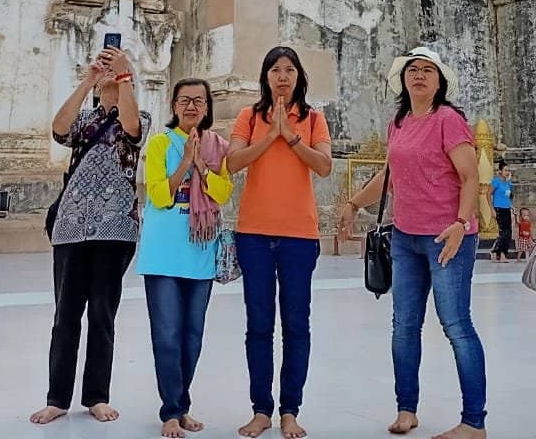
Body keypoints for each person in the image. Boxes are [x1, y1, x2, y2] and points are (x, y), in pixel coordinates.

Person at [339, 46, 487, 439]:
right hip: (405, 238)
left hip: (447, 238)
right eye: (412, 70)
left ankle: (474, 421)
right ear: (403, 80)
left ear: (440, 81)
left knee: (456, 325)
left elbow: (470, 177)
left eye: (428, 71)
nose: (419, 76)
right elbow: (389, 177)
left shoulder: (449, 121)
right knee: (404, 326)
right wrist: (353, 203)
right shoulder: (399, 122)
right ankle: (407, 409)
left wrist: (461, 222)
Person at [30, 45, 148, 426]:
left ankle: (97, 395)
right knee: (66, 315)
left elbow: (132, 129)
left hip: (115, 228)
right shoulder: (85, 121)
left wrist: (125, 77)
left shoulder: (138, 116)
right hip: (71, 226)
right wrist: (88, 80)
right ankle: (57, 397)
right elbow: (59, 129)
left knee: (101, 313)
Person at [227, 46, 333, 439]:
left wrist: (290, 137)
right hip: (254, 234)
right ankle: (261, 410)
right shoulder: (248, 116)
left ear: (300, 76)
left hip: (299, 237)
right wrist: (269, 134)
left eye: (290, 69)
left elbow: (323, 166)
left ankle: (290, 410)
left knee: (296, 325)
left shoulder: (313, 118)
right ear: (266, 77)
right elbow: (233, 163)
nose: (283, 76)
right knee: (258, 325)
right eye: (275, 70)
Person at [137, 78, 234, 438]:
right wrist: (187, 162)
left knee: (192, 335)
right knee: (166, 333)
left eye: (198, 101)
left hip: (200, 251)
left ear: (207, 107)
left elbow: (223, 192)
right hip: (163, 253)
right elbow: (160, 194)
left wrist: (203, 167)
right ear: (174, 106)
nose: (191, 106)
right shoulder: (161, 142)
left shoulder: (218, 146)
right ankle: (171, 412)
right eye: (184, 100)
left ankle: (183, 404)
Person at [489, 160, 514, 262]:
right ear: (500, 171)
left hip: (507, 208)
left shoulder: (508, 183)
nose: (507, 172)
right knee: (503, 232)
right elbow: (488, 194)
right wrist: (491, 209)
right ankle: (494, 251)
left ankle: (503, 254)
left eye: (508, 170)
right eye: (505, 170)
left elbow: (510, 196)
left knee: (509, 233)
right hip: (498, 208)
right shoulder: (496, 181)